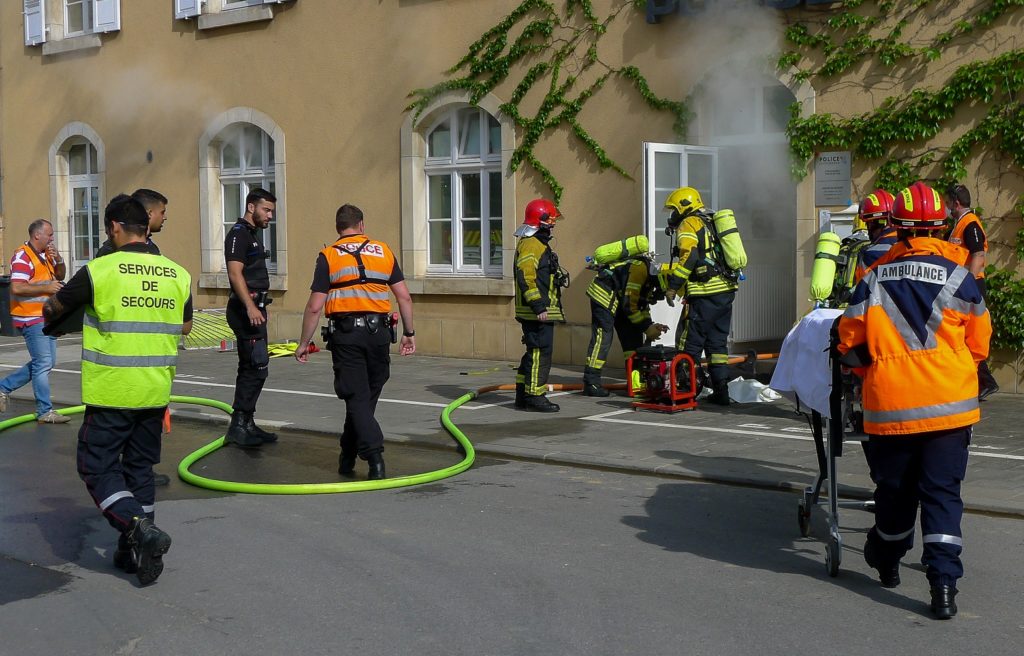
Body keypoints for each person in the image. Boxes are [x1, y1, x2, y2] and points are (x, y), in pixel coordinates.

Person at [837, 181, 990, 620]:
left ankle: (884, 558)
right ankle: (943, 587)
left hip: (892, 408)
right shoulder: (961, 277)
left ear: (896, 229)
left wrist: (880, 369)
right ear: (942, 227)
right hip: (952, 407)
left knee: (896, 494)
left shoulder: (874, 279)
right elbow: (979, 345)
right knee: (943, 496)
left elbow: (849, 343)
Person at [43, 194, 193, 585]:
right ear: (146, 227)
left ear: (112, 227)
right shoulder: (177, 274)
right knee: (139, 469)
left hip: (111, 390)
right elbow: (187, 326)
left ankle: (137, 528)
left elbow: (54, 309)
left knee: (95, 467)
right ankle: (134, 553)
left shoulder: (99, 270)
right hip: (155, 390)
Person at [294, 204, 414, 480]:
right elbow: (404, 297)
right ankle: (347, 455)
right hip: (380, 335)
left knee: (357, 398)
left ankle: (374, 456)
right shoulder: (383, 251)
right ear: (361, 225)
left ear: (338, 228)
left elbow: (314, 307)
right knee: (364, 395)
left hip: (347, 336)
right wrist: (410, 332)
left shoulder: (329, 256)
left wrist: (304, 343)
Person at [95, 189, 170, 485]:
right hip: (119, 357)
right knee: (121, 420)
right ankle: (122, 476)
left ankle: (140, 469)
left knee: (145, 420)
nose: (166, 218)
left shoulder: (153, 251)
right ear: (148, 215)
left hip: (149, 357)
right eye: (162, 212)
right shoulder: (109, 252)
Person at [662, 187, 739, 406]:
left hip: (704, 294)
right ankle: (721, 391)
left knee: (689, 343)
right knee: (717, 345)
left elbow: (690, 256)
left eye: (674, 210)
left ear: (683, 207)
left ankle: (684, 392)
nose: (672, 216)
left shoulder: (689, 223)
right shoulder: (710, 221)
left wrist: (673, 287)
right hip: (725, 292)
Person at [0, 219, 70, 423]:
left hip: (46, 317)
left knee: (46, 362)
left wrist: (59, 260)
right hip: (31, 317)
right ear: (37, 235)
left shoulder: (44, 256)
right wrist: (46, 288)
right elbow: (17, 288)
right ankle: (44, 410)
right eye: (49, 234)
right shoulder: (23, 256)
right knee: (43, 363)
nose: (52, 238)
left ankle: (4, 387)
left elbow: (60, 274)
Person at [224, 188, 278, 447]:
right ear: (251, 207)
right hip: (246, 310)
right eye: (266, 210)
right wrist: (250, 307)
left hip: (255, 308)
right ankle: (239, 426)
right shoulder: (238, 235)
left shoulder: (252, 235)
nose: (269, 216)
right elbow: (235, 274)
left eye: (271, 211)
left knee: (254, 368)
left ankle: (247, 422)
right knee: (255, 367)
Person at [582, 253, 667, 396]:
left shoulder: (648, 283)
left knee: (633, 341)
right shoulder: (640, 270)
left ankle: (634, 383)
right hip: (605, 295)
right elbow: (629, 306)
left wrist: (650, 326)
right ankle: (591, 382)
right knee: (603, 338)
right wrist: (647, 328)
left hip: (621, 300)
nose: (654, 296)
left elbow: (641, 306)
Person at [945, 183, 998, 401]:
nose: (947, 207)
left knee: (971, 336)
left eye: (948, 202)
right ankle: (982, 382)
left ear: (956, 203)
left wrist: (966, 283)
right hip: (962, 285)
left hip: (971, 286)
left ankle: (986, 382)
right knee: (965, 335)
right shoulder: (958, 224)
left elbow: (977, 255)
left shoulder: (970, 224)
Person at [513, 198, 567, 412]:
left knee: (532, 352)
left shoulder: (535, 243)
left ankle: (522, 394)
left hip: (539, 310)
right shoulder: (532, 244)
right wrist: (539, 306)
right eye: (551, 220)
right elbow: (526, 276)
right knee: (540, 353)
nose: (553, 224)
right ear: (542, 220)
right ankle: (535, 395)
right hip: (536, 312)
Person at [95, 188, 167, 258]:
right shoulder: (110, 251)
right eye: (162, 212)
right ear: (149, 213)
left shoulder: (151, 246)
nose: (164, 217)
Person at [853, 189, 899, 284]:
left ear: (873, 224)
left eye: (868, 224)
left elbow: (861, 289)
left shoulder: (870, 254)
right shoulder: (913, 248)